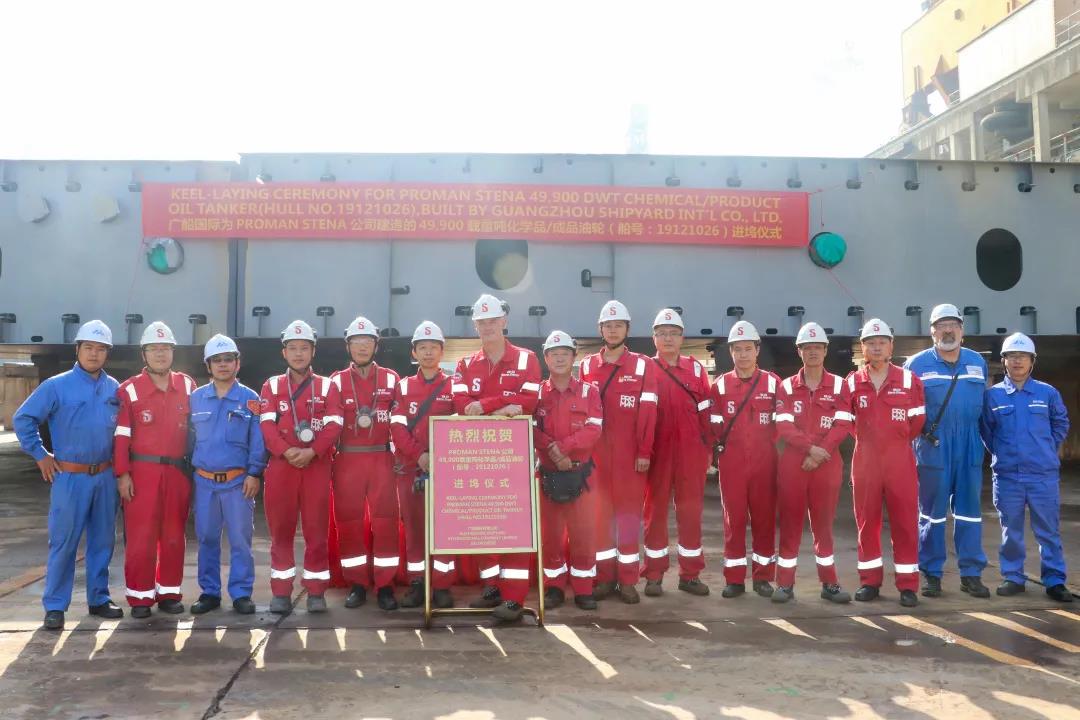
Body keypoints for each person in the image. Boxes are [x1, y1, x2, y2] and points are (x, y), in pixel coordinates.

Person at [14, 320, 123, 631]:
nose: (94, 353)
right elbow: (24, 419)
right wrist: (40, 455)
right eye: (88, 347)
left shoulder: (115, 389)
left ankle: (99, 598)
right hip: (70, 477)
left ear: (107, 353)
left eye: (100, 349)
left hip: (105, 476)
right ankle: (55, 606)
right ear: (77, 350)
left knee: (103, 540)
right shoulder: (56, 386)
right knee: (64, 542)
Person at [451, 293, 541, 618]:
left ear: (504, 321)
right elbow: (461, 403)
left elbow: (529, 401)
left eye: (493, 321)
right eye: (482, 322)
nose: (488, 326)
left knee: (515, 525)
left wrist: (487, 405)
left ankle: (514, 599)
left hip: (514, 457)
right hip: (478, 456)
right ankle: (491, 588)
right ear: (475, 326)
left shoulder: (526, 359)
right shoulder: (465, 364)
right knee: (483, 522)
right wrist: (504, 405)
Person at [835, 318, 925, 607]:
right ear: (862, 348)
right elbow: (847, 422)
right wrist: (869, 442)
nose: (876, 347)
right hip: (865, 460)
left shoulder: (909, 380)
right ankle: (869, 582)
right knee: (866, 523)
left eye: (882, 342)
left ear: (891, 347)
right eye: (871, 343)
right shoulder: (852, 382)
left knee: (905, 523)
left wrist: (893, 440)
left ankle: (908, 585)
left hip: (900, 460)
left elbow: (917, 422)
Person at [904, 303, 990, 599]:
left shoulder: (977, 362)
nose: (948, 330)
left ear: (962, 331)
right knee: (932, 514)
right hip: (933, 446)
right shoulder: (915, 365)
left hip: (969, 444)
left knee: (969, 513)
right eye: (942, 326)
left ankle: (971, 574)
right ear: (932, 332)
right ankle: (931, 574)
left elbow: (984, 408)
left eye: (953, 325)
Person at [259, 320, 343, 614]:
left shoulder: (327, 386)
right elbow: (266, 426)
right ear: (284, 352)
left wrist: (312, 451)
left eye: (304, 348)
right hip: (281, 467)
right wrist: (286, 451)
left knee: (316, 532)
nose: (298, 354)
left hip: (315, 467)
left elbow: (334, 425)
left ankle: (316, 591)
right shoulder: (271, 386)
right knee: (280, 532)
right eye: (292, 348)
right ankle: (281, 592)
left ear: (313, 351)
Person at [980, 332, 1072, 603]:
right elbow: (986, 431)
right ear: (1004, 361)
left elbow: (1061, 424)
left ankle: (1055, 580)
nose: (1017, 361)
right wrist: (1003, 453)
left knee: (1048, 531)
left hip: (1042, 475)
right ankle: (1013, 577)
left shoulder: (1047, 393)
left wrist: (1045, 448)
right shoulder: (993, 396)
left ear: (1032, 361)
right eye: (1012, 356)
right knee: (1011, 530)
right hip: (1008, 476)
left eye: (1023, 356)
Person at [578, 300, 657, 603]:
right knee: (600, 518)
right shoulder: (586, 366)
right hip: (596, 456)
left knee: (627, 518)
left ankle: (627, 580)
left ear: (627, 329)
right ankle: (604, 578)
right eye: (608, 326)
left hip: (630, 455)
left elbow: (648, 412)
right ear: (600, 329)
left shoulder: (643, 365)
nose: (613, 330)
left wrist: (644, 452)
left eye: (618, 326)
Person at [114, 321, 194, 618]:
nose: (160, 354)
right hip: (142, 473)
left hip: (177, 473)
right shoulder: (130, 390)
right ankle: (140, 597)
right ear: (144, 354)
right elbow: (121, 436)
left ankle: (169, 593)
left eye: (165, 348)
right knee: (141, 536)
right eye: (154, 349)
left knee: (174, 535)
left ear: (173, 352)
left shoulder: (187, 385)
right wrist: (123, 474)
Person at [772, 322, 851, 604]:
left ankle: (830, 583)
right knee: (790, 524)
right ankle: (784, 584)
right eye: (807, 347)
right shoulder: (785, 386)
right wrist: (810, 449)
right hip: (794, 463)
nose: (813, 352)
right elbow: (783, 425)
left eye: (818, 347)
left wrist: (820, 452)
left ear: (826, 350)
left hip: (826, 464)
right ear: (799, 351)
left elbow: (843, 424)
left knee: (823, 526)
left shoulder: (840, 385)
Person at [189, 334, 266, 615]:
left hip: (238, 482)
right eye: (217, 360)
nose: (223, 364)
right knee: (206, 538)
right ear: (208, 365)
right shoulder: (195, 398)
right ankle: (209, 592)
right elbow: (187, 439)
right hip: (204, 481)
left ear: (237, 363)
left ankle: (241, 593)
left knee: (240, 540)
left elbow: (258, 440)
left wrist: (254, 473)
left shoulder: (251, 399)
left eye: (228, 359)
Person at [330, 316, 401, 611]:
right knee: (349, 522)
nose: (362, 346)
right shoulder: (336, 381)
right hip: (348, 459)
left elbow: (401, 421)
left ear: (376, 345)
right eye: (356, 341)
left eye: (367, 341)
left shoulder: (391, 379)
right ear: (348, 346)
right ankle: (357, 583)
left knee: (386, 522)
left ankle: (385, 585)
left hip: (382, 458)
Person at [708, 320, 781, 599]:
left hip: (765, 461)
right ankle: (735, 579)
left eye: (748, 348)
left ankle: (763, 578)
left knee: (764, 519)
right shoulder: (720, 385)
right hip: (733, 463)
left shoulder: (773, 383)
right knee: (734, 521)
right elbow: (713, 426)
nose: (743, 354)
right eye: (737, 349)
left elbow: (784, 424)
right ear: (731, 352)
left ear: (757, 350)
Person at [643, 308, 712, 598]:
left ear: (682, 338)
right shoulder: (646, 368)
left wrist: (708, 449)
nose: (668, 338)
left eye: (673, 333)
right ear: (654, 338)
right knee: (655, 513)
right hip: (658, 451)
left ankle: (690, 575)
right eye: (662, 334)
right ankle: (654, 575)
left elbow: (706, 411)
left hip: (691, 451)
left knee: (690, 512)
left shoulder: (695, 369)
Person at [534, 331, 604, 612]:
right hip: (548, 476)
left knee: (583, 533)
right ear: (546, 358)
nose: (560, 358)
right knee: (550, 536)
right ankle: (554, 587)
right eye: (554, 354)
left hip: (581, 475)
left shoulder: (590, 392)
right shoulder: (537, 393)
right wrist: (552, 451)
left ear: (574, 357)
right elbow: (530, 428)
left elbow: (594, 429)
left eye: (565, 353)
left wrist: (563, 448)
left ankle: (584, 589)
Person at [390, 321, 456, 609]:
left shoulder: (454, 385)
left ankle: (442, 586)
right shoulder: (403, 386)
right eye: (423, 347)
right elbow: (396, 427)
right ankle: (418, 583)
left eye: (433, 347)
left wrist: (438, 457)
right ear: (414, 352)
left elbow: (461, 426)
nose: (428, 352)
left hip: (445, 470)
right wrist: (419, 455)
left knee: (444, 528)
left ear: (442, 351)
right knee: (414, 529)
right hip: (411, 468)